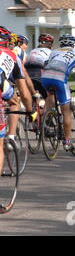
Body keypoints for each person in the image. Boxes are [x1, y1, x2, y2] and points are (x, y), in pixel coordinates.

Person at [41, 34, 75, 151]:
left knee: (50, 95)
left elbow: (47, 64)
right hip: (60, 79)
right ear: (73, 44)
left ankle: (46, 119)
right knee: (66, 112)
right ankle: (67, 142)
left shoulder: (53, 51)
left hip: (45, 77)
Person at [0, 26, 36, 175]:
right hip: (3, 86)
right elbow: (25, 93)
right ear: (8, 43)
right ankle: (11, 136)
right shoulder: (13, 55)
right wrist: (30, 111)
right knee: (15, 101)